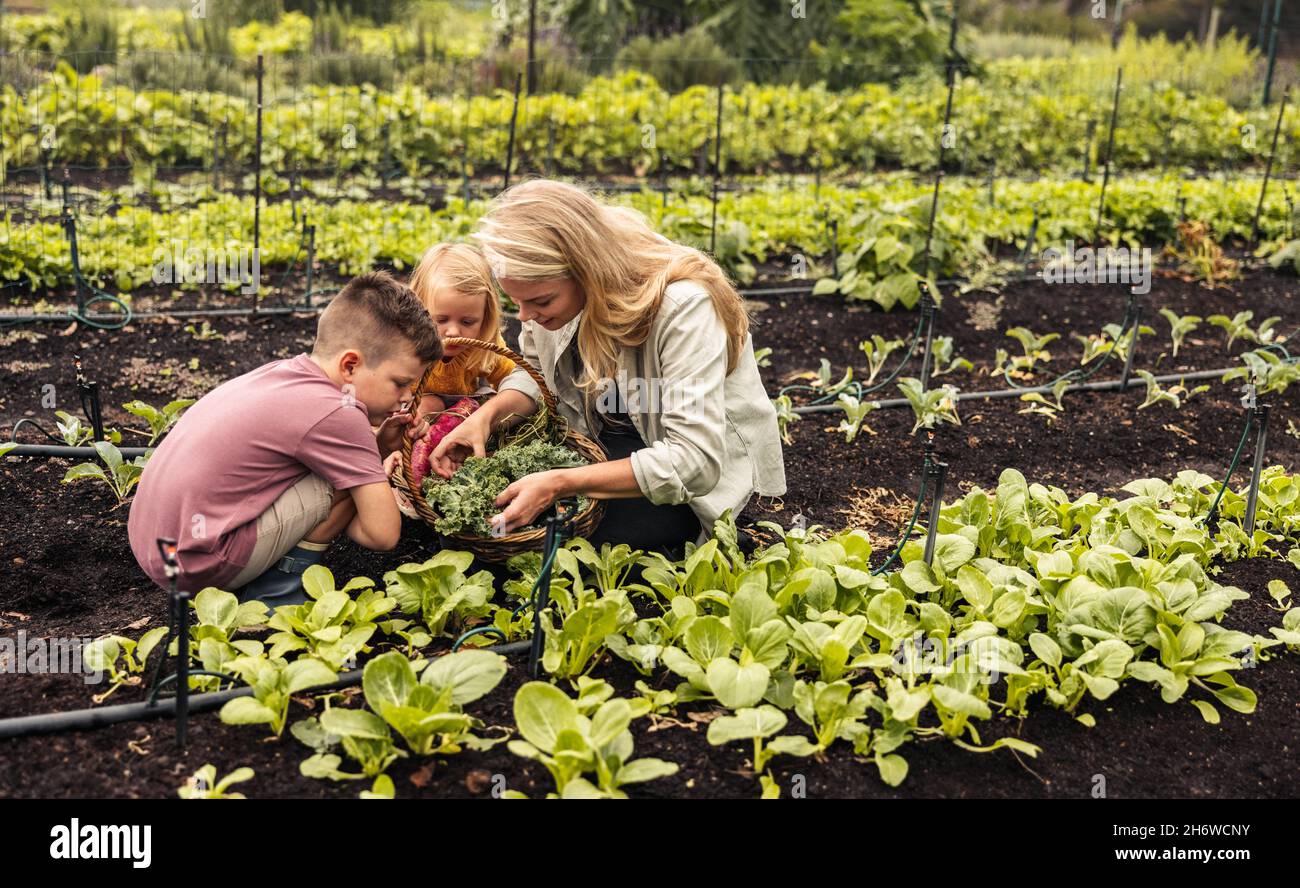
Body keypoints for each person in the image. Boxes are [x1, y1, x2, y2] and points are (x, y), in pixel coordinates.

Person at [429, 179, 786, 559]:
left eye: (541, 301)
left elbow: (693, 463)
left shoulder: (684, 308)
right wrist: (488, 416)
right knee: (482, 515)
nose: (525, 316)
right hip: (601, 434)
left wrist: (560, 483)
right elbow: (534, 371)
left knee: (554, 543)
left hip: (673, 468)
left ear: (587, 271)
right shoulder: (547, 288)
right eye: (514, 301)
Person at [127, 271, 438, 605]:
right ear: (350, 365)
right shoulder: (342, 413)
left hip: (155, 547)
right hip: (196, 567)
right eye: (400, 382)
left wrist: (377, 449)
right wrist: (369, 476)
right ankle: (276, 595)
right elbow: (383, 533)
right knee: (340, 481)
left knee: (342, 472)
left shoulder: (285, 374)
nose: (408, 397)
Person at [383, 243, 529, 516]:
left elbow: (515, 378)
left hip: (464, 412)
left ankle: (453, 468)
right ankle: (406, 469)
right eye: (441, 319)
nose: (453, 331)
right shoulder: (406, 347)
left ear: (485, 317)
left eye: (467, 321)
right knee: (428, 402)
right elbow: (384, 392)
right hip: (417, 412)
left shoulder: (485, 346)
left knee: (494, 403)